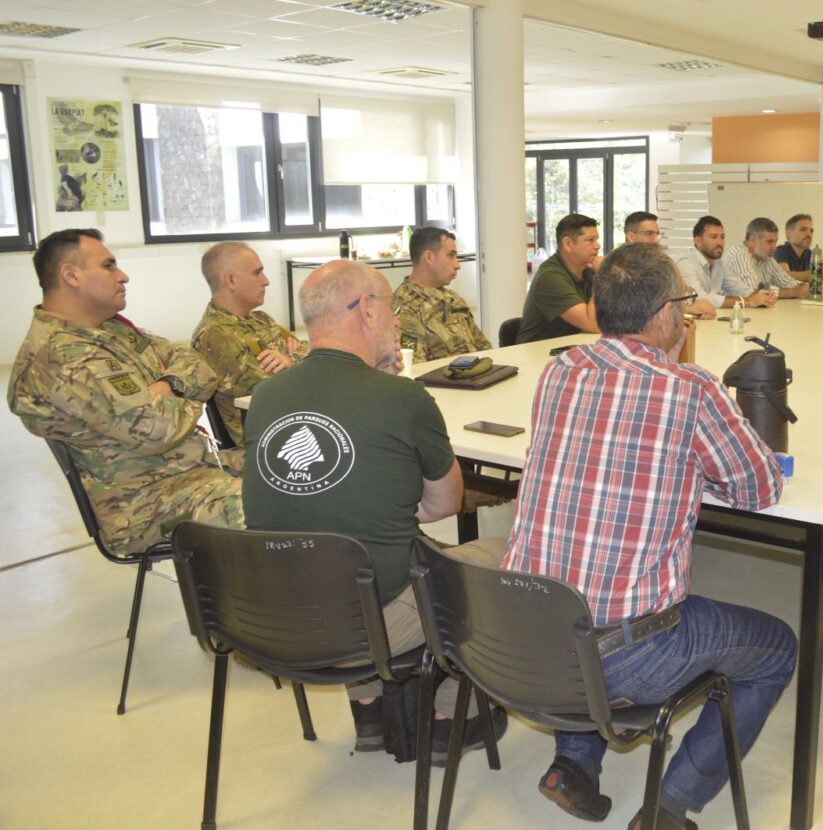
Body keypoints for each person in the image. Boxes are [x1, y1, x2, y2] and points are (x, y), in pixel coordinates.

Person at [504, 243, 796, 830]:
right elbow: (759, 488)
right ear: (665, 313)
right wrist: (683, 369)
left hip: (528, 629)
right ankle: (670, 806)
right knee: (776, 648)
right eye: (682, 305)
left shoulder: (559, 370)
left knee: (578, 581)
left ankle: (573, 765)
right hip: (630, 654)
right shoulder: (690, 389)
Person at [242, 259, 507, 757]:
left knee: (336, 549)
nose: (396, 319)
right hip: (369, 623)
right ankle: (453, 714)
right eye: (391, 307)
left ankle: (370, 711)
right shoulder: (403, 399)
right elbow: (444, 505)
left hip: (276, 616)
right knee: (508, 558)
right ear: (365, 311)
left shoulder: (265, 396)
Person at [8, 229, 243, 553]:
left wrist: (168, 386)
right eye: (108, 266)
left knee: (308, 469)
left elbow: (195, 362)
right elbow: (158, 429)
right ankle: (265, 600)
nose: (124, 276)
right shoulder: (63, 357)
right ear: (71, 276)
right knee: (281, 505)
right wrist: (177, 393)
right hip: (146, 504)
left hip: (192, 469)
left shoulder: (109, 329)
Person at [192, 242, 308, 446]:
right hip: (270, 438)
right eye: (257, 273)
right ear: (231, 280)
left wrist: (293, 359)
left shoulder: (261, 320)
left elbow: (307, 350)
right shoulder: (216, 336)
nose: (266, 281)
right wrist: (296, 360)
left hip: (295, 421)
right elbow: (284, 388)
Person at [395, 226, 491, 362]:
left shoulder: (453, 299)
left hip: (476, 377)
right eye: (450, 255)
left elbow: (484, 349)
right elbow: (415, 370)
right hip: (445, 382)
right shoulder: (407, 309)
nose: (458, 265)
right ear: (429, 257)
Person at [519, 213, 601, 343]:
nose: (597, 246)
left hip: (573, 347)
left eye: (596, 239)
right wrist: (603, 276)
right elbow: (593, 324)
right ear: (567, 244)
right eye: (590, 240)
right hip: (538, 354)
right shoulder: (549, 277)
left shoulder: (588, 270)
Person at [674, 215, 776, 309]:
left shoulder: (718, 263)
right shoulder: (686, 263)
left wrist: (763, 295)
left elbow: (738, 288)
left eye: (722, 237)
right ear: (698, 241)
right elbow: (698, 298)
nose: (720, 242)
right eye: (713, 237)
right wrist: (747, 302)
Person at [721, 217, 808, 301]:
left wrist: (805, 287)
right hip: (731, 312)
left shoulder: (766, 258)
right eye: (769, 242)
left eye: (775, 241)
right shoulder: (739, 256)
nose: (774, 247)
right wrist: (796, 292)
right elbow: (755, 292)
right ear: (752, 240)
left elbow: (787, 282)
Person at [774, 213, 823, 280]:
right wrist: (813, 273)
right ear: (789, 234)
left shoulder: (809, 253)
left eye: (811, 231)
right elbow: (783, 275)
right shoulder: (780, 252)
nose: (809, 234)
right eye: (803, 230)